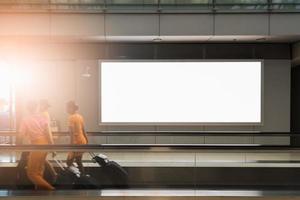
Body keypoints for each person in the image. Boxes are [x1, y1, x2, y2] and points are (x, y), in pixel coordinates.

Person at [18, 101, 55, 190]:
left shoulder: (25, 119)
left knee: (31, 173)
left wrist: (18, 145)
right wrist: (53, 147)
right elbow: (48, 133)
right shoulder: (43, 117)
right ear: (37, 107)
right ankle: (39, 191)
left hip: (37, 146)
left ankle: (51, 190)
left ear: (27, 108)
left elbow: (20, 135)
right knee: (39, 171)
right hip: (45, 145)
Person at [66, 101, 88, 175]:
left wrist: (71, 147)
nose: (66, 109)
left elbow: (72, 134)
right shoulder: (79, 116)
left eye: (67, 107)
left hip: (76, 143)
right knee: (78, 160)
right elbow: (83, 130)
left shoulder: (71, 118)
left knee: (68, 162)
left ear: (71, 108)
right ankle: (83, 177)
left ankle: (75, 178)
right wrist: (87, 140)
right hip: (82, 141)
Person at [39, 99, 58, 183]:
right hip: (42, 140)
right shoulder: (44, 114)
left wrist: (52, 145)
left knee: (41, 161)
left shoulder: (44, 114)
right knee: (41, 160)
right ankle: (50, 175)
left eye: (41, 105)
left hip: (43, 141)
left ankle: (52, 175)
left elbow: (47, 130)